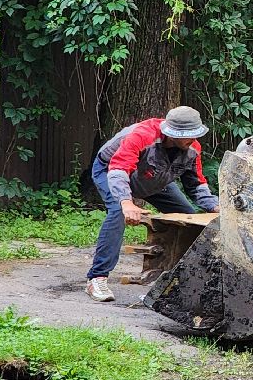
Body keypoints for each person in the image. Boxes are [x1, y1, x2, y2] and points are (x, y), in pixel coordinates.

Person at [85, 105, 219, 302]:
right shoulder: (142, 136)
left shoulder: (192, 148)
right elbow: (119, 169)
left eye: (195, 134)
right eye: (188, 135)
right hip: (111, 171)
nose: (193, 139)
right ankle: (97, 278)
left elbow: (196, 184)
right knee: (117, 212)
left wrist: (216, 207)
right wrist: (126, 203)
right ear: (172, 133)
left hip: (153, 177)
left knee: (189, 219)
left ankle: (178, 278)